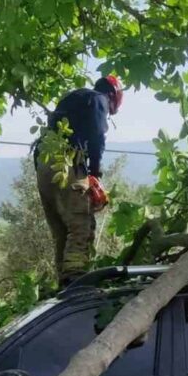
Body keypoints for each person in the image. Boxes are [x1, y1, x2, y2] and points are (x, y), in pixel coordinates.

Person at [35, 75, 123, 286]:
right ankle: (76, 283)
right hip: (68, 162)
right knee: (81, 225)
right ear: (113, 96)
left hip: (43, 164)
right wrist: (95, 174)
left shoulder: (73, 98)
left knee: (61, 232)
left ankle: (62, 286)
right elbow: (97, 138)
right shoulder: (99, 100)